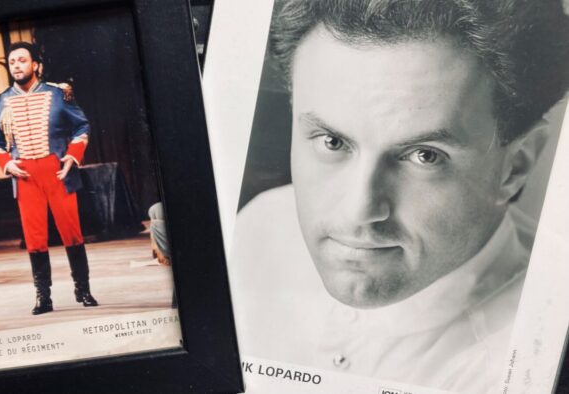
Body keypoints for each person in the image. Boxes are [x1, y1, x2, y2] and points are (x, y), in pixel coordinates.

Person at [230, 0, 569, 392]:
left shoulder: (539, 362)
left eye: (425, 156)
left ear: (516, 166)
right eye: (333, 141)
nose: (358, 212)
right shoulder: (256, 228)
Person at [0, 42, 98, 315]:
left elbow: (82, 126)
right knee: (34, 238)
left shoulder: (59, 94)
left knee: (72, 233)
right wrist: (7, 163)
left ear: (36, 65)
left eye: (22, 61)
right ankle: (43, 297)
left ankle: (83, 290)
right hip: (25, 176)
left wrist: (73, 156)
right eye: (12, 61)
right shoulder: (2, 100)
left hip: (57, 171)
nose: (17, 66)